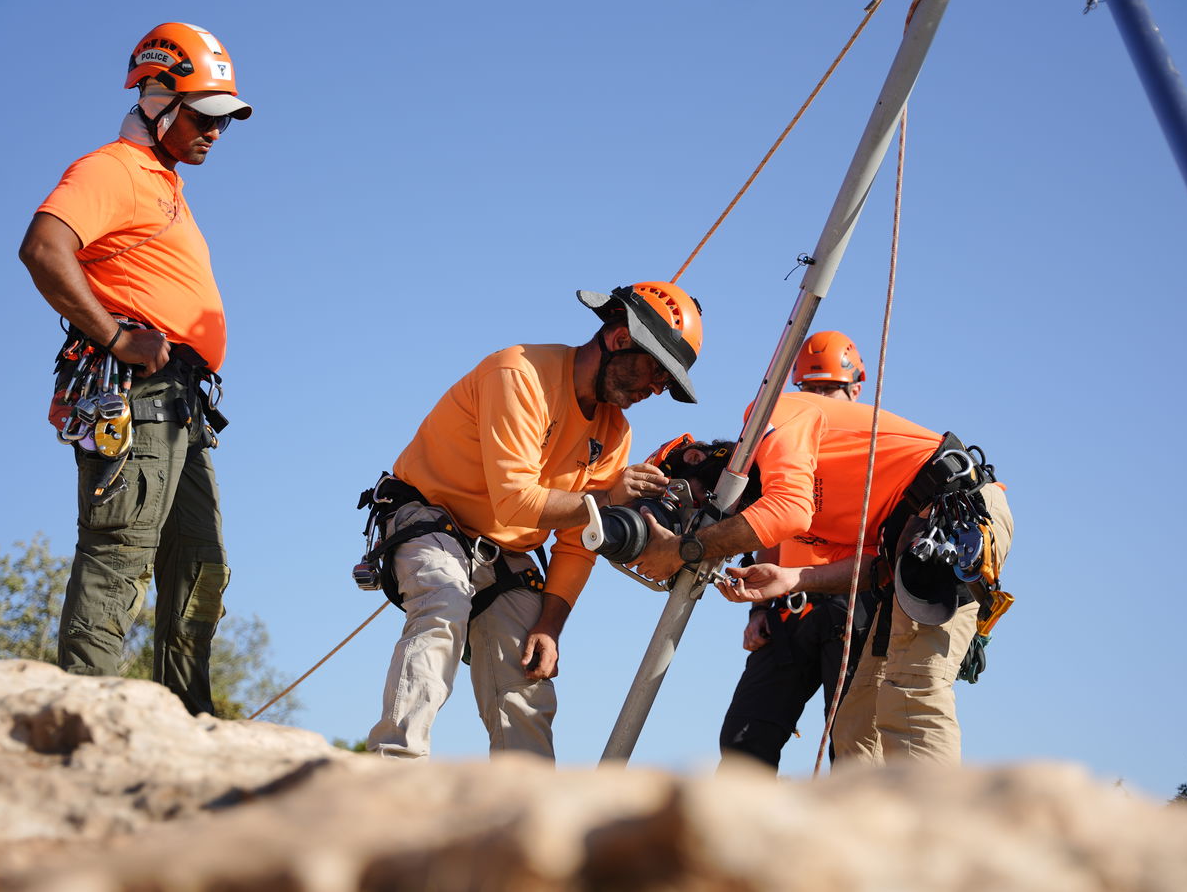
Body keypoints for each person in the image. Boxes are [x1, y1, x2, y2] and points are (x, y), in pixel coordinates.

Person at [630, 331, 1013, 767]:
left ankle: (934, 830)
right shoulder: (810, 494)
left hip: (952, 512)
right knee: (855, 722)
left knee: (912, 689)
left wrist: (683, 550)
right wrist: (794, 578)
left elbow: (789, 509)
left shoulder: (777, 412)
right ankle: (861, 829)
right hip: (909, 536)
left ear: (697, 460)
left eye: (697, 503)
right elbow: (875, 568)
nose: (709, 518)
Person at [362, 282, 704, 760]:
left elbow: (580, 539)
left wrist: (550, 623)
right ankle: (392, 769)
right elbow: (516, 503)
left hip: (506, 553)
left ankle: (525, 812)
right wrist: (606, 496)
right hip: (430, 518)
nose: (656, 388)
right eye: (656, 369)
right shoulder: (520, 373)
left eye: (667, 382)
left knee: (527, 678)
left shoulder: (614, 432)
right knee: (443, 605)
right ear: (620, 338)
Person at [18, 23, 253, 716]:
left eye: (225, 121)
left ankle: (186, 721)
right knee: (121, 551)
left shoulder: (167, 186)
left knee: (201, 564)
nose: (216, 132)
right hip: (140, 394)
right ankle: (81, 717)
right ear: (157, 100)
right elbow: (43, 247)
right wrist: (117, 334)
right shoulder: (113, 168)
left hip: (184, 405)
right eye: (205, 116)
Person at [715, 332, 877, 771]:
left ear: (856, 391)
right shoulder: (788, 436)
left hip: (853, 604)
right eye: (811, 390)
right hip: (791, 608)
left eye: (830, 390)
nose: (819, 399)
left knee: (853, 746)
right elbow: (770, 520)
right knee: (743, 740)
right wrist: (758, 610)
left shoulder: (874, 447)